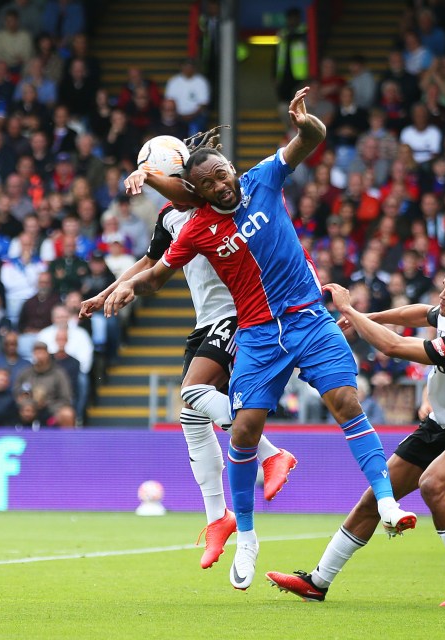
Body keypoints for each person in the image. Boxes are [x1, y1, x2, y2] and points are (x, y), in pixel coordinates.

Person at [105, 88, 412, 591]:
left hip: (309, 318)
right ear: (198, 191)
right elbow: (158, 274)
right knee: (243, 430)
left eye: (222, 173)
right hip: (258, 334)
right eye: (208, 182)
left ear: (230, 168)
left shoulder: (263, 178)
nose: (222, 184)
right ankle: (245, 535)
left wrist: (305, 123)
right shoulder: (196, 229)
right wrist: (124, 289)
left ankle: (386, 500)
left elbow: (309, 141)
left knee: (346, 402)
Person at [80, 130, 296, 571]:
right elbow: (151, 264)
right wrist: (109, 292)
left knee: (194, 392)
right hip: (205, 321)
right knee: (191, 414)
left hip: (240, 312)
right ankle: (218, 519)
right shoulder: (169, 218)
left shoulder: (207, 202)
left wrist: (147, 173)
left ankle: (272, 453)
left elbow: (182, 193)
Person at [267, 251, 445, 606]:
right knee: (376, 498)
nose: (442, 295)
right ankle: (318, 582)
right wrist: (369, 316)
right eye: (444, 286)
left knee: (433, 485)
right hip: (442, 423)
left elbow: (393, 346)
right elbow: (417, 312)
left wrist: (350, 311)